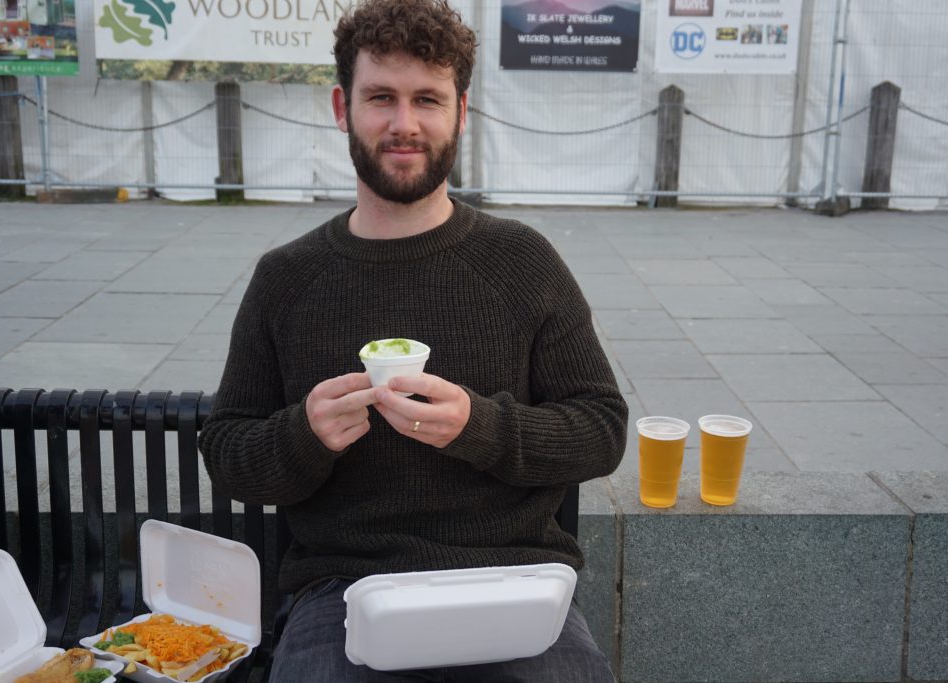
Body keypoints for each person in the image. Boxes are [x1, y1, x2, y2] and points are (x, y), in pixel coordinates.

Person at [199, 1, 628, 680]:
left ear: (462, 110)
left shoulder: (523, 260)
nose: (404, 124)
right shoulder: (287, 278)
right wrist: (304, 433)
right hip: (341, 592)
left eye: (427, 98)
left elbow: (602, 428)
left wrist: (479, 425)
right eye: (382, 98)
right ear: (343, 107)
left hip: (512, 581)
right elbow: (226, 449)